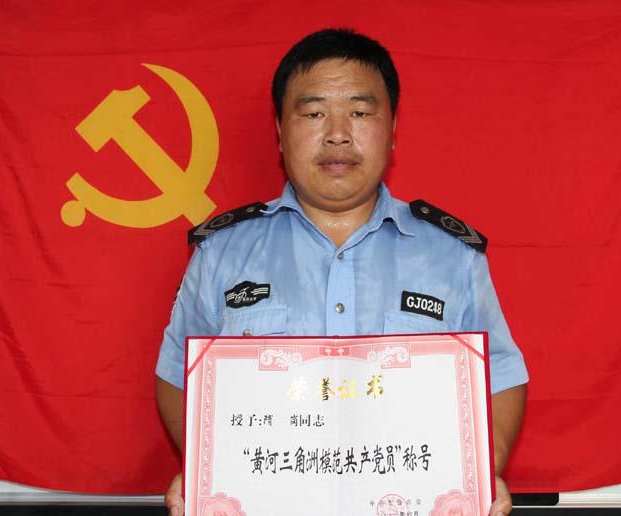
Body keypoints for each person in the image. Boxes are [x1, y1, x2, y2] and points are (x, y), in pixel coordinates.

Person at [156, 28, 528, 516]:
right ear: (280, 131)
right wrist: (209, 469)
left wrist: (478, 469)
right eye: (313, 113)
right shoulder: (222, 253)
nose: (337, 133)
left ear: (392, 129)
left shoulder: (451, 255)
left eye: (360, 112)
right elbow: (177, 374)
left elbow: (500, 374)